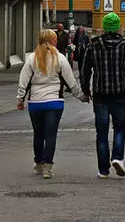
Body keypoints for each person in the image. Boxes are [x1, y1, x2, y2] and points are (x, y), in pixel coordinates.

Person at [17, 29, 88, 179]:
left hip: (35, 103)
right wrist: (81, 96)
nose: (57, 41)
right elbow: (71, 82)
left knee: (38, 134)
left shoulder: (32, 58)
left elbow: (24, 81)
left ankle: (38, 163)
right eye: (55, 39)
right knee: (51, 135)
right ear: (52, 41)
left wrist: (20, 99)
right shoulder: (60, 58)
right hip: (54, 102)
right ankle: (47, 167)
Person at [81, 12, 125, 179]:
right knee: (120, 127)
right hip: (120, 94)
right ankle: (118, 158)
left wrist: (86, 89)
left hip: (100, 94)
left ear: (104, 28)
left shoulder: (94, 46)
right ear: (118, 27)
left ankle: (103, 170)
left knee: (102, 132)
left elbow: (85, 70)